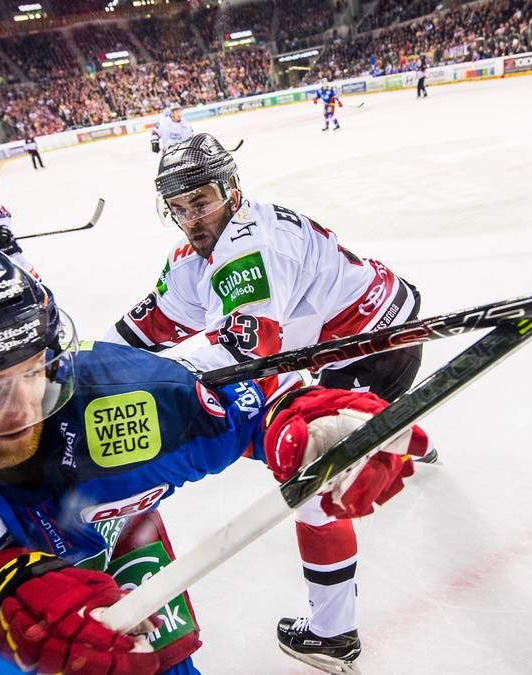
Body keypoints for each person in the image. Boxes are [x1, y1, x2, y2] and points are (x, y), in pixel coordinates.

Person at [0, 241, 431, 675]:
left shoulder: (127, 400)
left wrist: (307, 426)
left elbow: (255, 410)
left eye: (38, 375)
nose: (25, 408)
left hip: (138, 604)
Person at [106, 133, 429, 673]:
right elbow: (146, 328)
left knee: (313, 484)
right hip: (364, 333)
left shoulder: (248, 244)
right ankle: (403, 432)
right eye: (179, 208)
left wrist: (158, 382)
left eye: (202, 200)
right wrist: (78, 371)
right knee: (322, 433)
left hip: (372, 347)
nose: (192, 218)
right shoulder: (192, 257)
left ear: (232, 190)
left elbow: (250, 348)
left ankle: (331, 635)